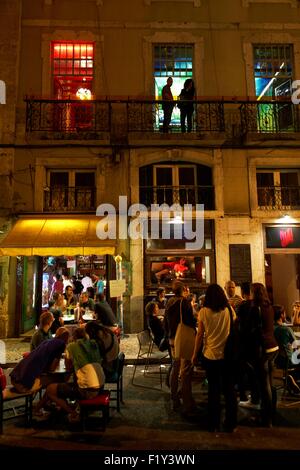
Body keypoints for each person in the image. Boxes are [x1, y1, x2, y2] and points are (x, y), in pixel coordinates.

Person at [191, 283, 237, 433]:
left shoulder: (203, 312)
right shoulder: (229, 310)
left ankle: (213, 423)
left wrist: (194, 354)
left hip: (210, 355)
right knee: (229, 389)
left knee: (214, 390)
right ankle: (231, 423)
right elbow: (234, 326)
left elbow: (199, 335)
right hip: (228, 356)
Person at [238, 283, 279, 428]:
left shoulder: (255, 308)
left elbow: (249, 329)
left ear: (254, 293)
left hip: (262, 349)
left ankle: (266, 419)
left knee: (264, 385)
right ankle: (272, 413)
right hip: (273, 346)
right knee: (270, 382)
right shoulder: (269, 306)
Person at [45, 328, 105, 423]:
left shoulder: (72, 346)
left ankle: (73, 412)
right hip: (101, 387)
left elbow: (68, 367)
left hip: (86, 390)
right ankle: (74, 408)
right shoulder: (94, 344)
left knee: (50, 389)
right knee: (73, 382)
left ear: (74, 337)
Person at [164, 280, 197, 416]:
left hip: (172, 338)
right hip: (182, 338)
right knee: (185, 371)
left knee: (175, 367)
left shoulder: (169, 303)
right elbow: (191, 321)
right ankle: (187, 403)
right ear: (184, 289)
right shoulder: (185, 303)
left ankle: (174, 399)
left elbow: (165, 322)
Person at [10, 327, 70, 394]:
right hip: (24, 384)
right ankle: (49, 401)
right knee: (60, 380)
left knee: (50, 380)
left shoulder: (47, 341)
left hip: (14, 378)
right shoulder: (61, 344)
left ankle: (43, 403)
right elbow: (52, 369)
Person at [273, 304, 300, 393]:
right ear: (282, 315)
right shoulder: (286, 329)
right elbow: (296, 345)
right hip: (288, 360)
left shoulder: (271, 329)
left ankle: (290, 378)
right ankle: (292, 377)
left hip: (276, 360)